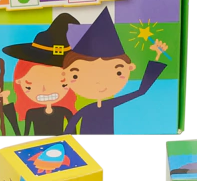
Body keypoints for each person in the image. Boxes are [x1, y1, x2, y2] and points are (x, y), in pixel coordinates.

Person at [64, 9, 167, 139]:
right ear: (64, 73)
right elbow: (72, 123)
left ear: (130, 68)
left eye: (118, 72)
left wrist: (158, 56)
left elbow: (141, 91)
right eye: (76, 76)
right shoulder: (88, 109)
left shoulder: (109, 105)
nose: (98, 82)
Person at [0, 14, 80, 137]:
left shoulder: (65, 111)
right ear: (19, 81)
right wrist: (5, 102)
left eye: (63, 84)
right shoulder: (31, 113)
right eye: (29, 86)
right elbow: (20, 135)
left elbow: (74, 135)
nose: (45, 90)